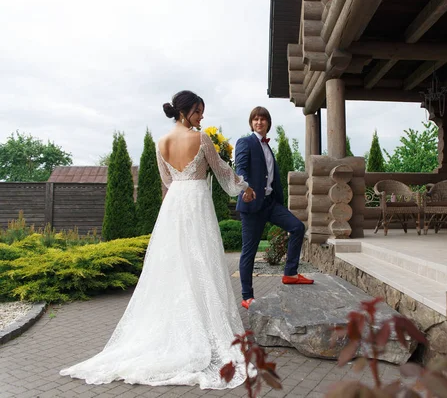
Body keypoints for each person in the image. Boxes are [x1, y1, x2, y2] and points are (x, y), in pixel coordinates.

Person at [60, 90, 256, 390]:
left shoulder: (160, 143)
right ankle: (201, 329)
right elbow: (222, 173)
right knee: (201, 261)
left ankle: (179, 325)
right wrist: (244, 187)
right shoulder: (202, 139)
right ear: (185, 112)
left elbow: (167, 182)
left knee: (174, 266)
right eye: (198, 111)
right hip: (196, 204)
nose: (202, 117)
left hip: (174, 205)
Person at [235, 106, 313, 310]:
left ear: (268, 123)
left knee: (297, 227)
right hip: (252, 204)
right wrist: (245, 187)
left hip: (270, 203)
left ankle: (290, 273)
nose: (259, 122)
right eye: (255, 119)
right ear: (251, 123)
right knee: (249, 252)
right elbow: (240, 167)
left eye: (262, 119)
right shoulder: (246, 142)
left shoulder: (267, 147)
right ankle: (247, 296)